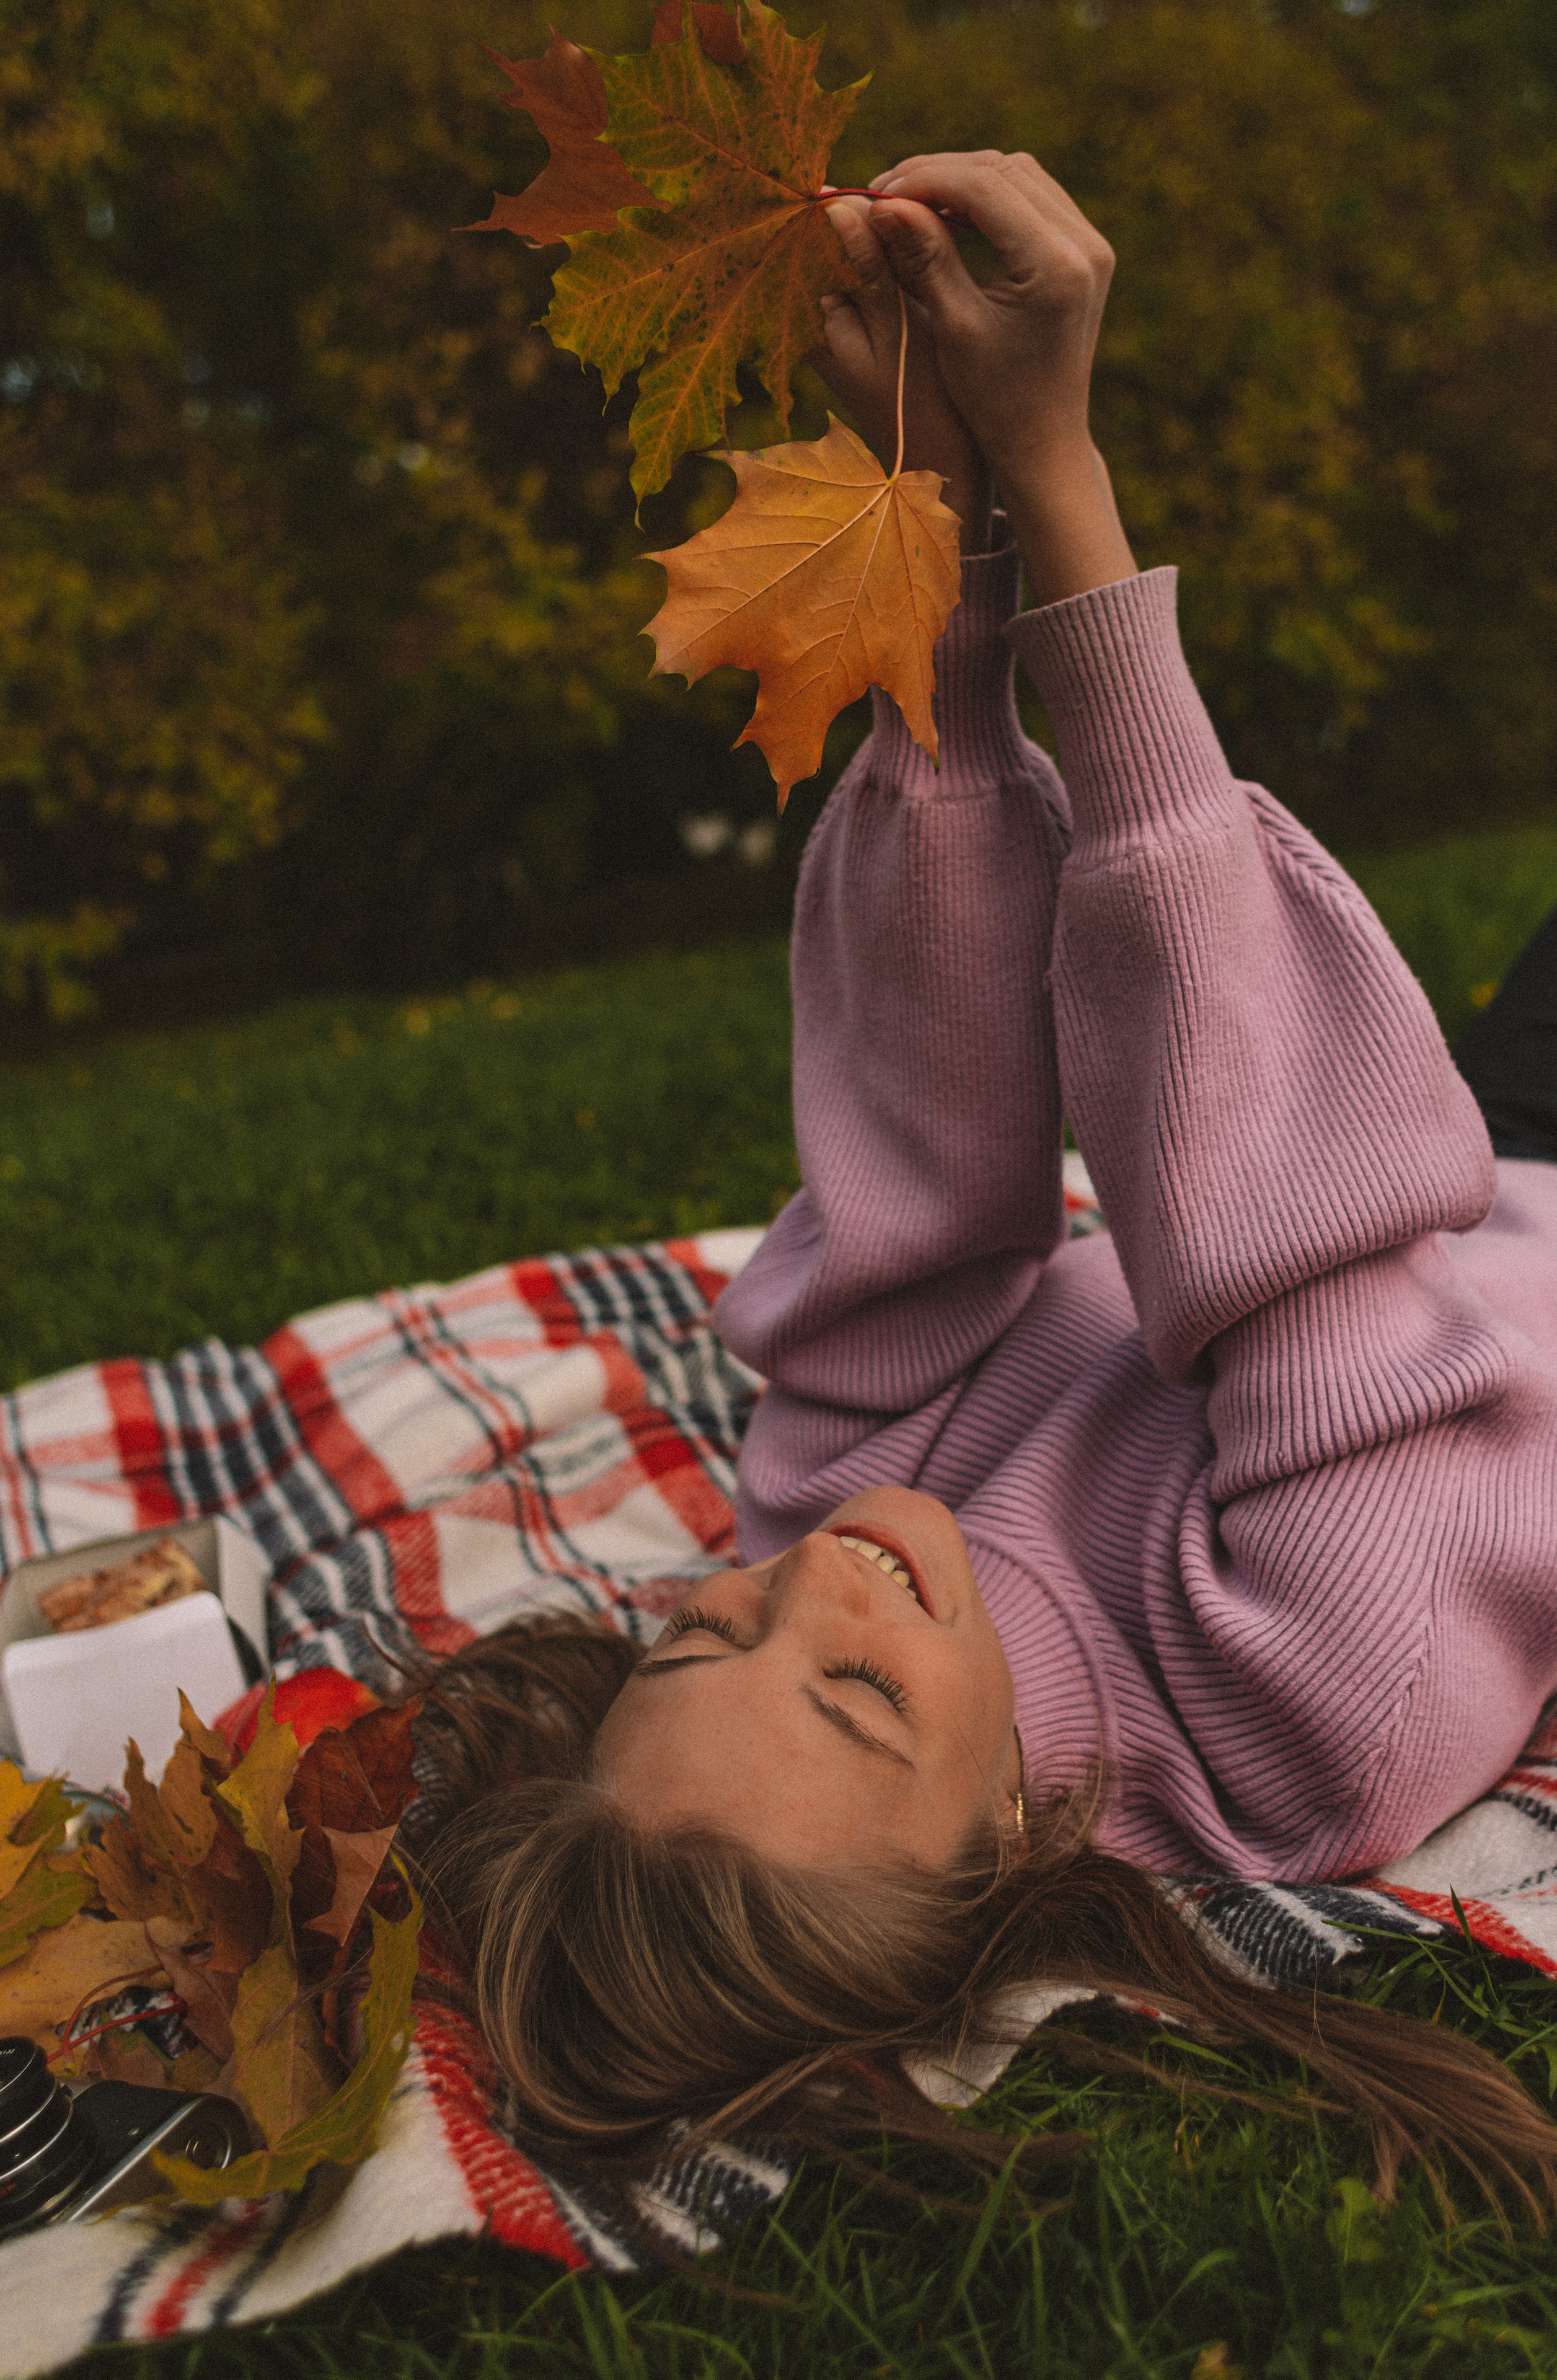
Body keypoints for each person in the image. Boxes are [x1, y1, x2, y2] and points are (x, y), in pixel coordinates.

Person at [407, 151, 1557, 2218]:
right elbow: (1297, 1256)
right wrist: (1068, 483)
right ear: (1005, 1881)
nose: (819, 1578)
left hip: (1501, 1153)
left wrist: (934, 520)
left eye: (711, 1635)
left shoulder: (830, 1522)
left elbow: (923, 1144)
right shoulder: (1308, 1714)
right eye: (851, 1695)